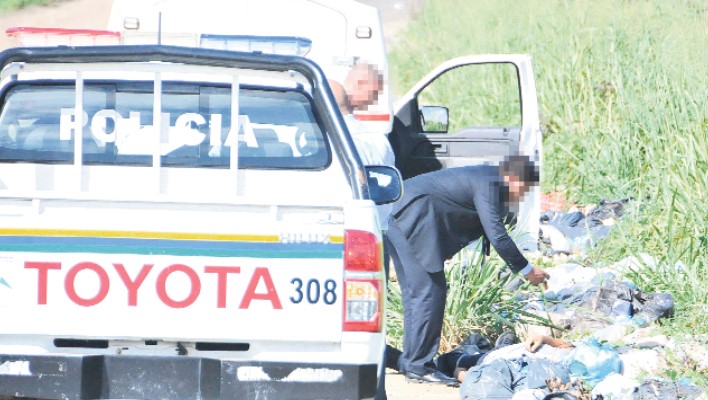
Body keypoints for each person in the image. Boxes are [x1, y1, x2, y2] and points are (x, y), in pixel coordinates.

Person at [386, 156, 550, 386]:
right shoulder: (491, 183)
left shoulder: (486, 177)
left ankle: (413, 362)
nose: (520, 195)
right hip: (410, 217)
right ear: (514, 178)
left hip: (397, 215)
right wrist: (527, 270)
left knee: (418, 293)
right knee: (429, 292)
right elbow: (498, 237)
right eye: (523, 188)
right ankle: (418, 366)